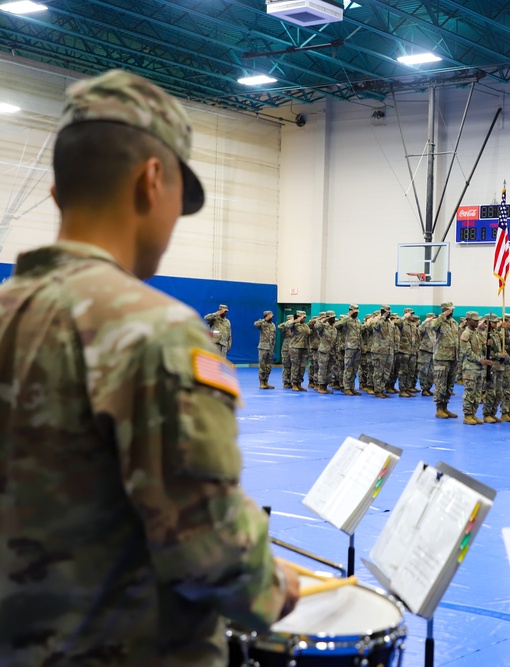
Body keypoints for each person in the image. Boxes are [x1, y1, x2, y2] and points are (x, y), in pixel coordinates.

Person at [0, 70, 298, 665]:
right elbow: (208, 554)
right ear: (152, 180)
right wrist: (270, 584)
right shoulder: (156, 331)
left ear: (57, 194)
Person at [432, 301, 461, 419]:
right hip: (442, 358)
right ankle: (439, 408)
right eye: (450, 310)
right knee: (441, 384)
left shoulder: (454, 323)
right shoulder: (438, 322)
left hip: (453, 357)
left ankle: (445, 407)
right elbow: (433, 326)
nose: (452, 311)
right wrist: (442, 316)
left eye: (452, 310)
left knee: (449, 384)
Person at [254, 309, 276, 389]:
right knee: (262, 365)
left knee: (268, 366)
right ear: (266, 316)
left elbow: (274, 337)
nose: (271, 317)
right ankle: (261, 382)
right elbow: (256, 324)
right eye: (270, 315)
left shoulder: (273, 325)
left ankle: (266, 381)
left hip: (270, 348)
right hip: (263, 347)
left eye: (272, 315)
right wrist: (264, 320)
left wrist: (273, 346)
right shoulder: (262, 323)